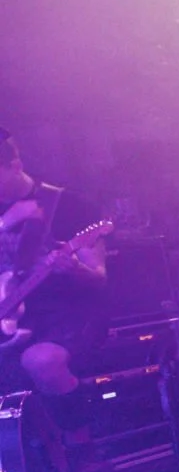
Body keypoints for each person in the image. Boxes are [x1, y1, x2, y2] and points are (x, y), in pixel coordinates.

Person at [0, 130, 110, 426]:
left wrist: (74, 268)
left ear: (15, 165)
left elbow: (98, 277)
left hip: (69, 314)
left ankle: (81, 445)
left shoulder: (68, 205)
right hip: (14, 319)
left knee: (41, 361)